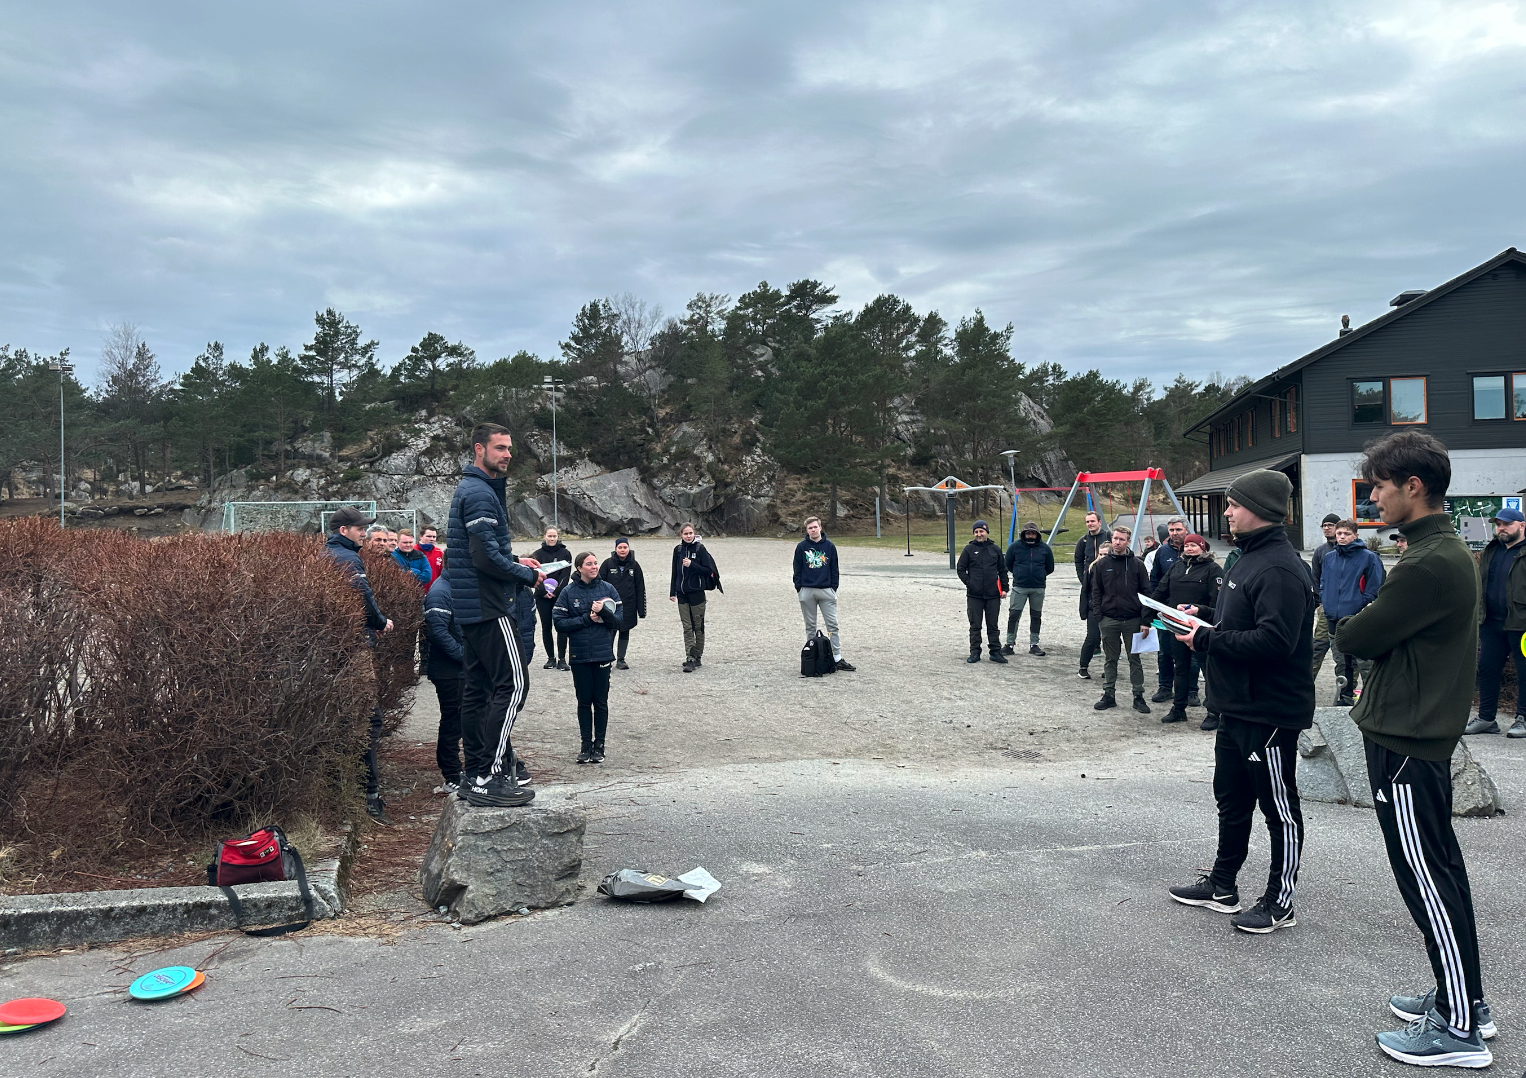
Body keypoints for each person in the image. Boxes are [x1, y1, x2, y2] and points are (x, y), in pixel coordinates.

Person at [1333, 431, 1495, 1068]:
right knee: (1440, 872)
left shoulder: (1429, 563)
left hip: (1407, 738)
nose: (1372, 496)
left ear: (1413, 487)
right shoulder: (1442, 551)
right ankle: (1466, 1002)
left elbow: (1360, 632)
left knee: (1426, 879)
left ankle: (1459, 1031)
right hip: (1414, 732)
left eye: (1378, 486)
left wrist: (1362, 620)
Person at [1167, 468, 1313, 935]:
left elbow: (1276, 641)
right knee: (1230, 798)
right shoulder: (1245, 558)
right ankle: (1223, 884)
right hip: (1234, 706)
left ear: (1261, 511)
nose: (1226, 511)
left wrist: (1207, 640)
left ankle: (1279, 901)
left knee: (1278, 808)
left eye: (1234, 504)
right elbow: (1240, 618)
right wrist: (1203, 615)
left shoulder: (1280, 568)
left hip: (1269, 709)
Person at [446, 423, 543, 808]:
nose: (507, 455)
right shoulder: (480, 493)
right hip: (489, 606)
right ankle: (489, 775)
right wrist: (528, 575)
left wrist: (515, 560)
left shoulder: (473, 489)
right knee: (514, 685)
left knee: (478, 691)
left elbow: (479, 551)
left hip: (473, 607)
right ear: (478, 449)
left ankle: (475, 774)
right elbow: (484, 558)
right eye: (500, 448)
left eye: (509, 449)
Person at [323, 506, 394, 822]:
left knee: (344, 718)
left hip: (332, 650)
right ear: (344, 531)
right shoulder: (348, 559)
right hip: (354, 649)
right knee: (368, 719)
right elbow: (363, 599)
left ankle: (340, 787)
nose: (364, 532)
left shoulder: (324, 555)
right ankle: (368, 795)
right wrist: (381, 622)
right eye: (359, 528)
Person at [554, 552, 621, 764]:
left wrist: (603, 613)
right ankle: (585, 745)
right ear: (579, 568)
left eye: (595, 563)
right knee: (584, 702)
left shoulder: (608, 589)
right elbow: (559, 624)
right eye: (589, 564)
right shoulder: (568, 592)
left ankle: (599, 745)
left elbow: (619, 621)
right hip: (579, 655)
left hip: (602, 654)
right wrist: (586, 619)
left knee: (600, 702)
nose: (594, 567)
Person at [1465, 506, 1526, 737]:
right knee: (1487, 670)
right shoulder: (1492, 549)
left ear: (1521, 525)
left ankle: (1523, 718)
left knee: (1525, 672)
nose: (1501, 528)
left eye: (1507, 524)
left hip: (1521, 625)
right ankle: (1487, 718)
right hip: (1491, 622)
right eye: (1498, 524)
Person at [1149, 533, 1219, 724]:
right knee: (1180, 667)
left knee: (1208, 669)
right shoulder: (1177, 566)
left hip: (1203, 629)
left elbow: (1219, 604)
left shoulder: (1213, 569)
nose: (1189, 548)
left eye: (1194, 545)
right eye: (1187, 546)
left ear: (1203, 547)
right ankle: (1179, 709)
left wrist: (1200, 611)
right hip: (1178, 627)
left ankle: (1213, 712)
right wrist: (1147, 611)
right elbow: (1161, 591)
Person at [1319, 519, 1384, 706]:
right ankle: (1345, 696)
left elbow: (1374, 587)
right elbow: (1323, 582)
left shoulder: (1368, 558)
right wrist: (1326, 601)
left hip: (1357, 617)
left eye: (1346, 534)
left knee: (1364, 661)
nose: (1341, 537)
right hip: (1333, 617)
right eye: (1339, 533)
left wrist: (1360, 604)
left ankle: (1373, 699)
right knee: (1341, 661)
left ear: (1355, 535)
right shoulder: (1329, 557)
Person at [1089, 525, 1152, 711]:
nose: (1117, 542)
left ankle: (1138, 696)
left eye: (1121, 539)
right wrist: (1099, 615)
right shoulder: (1101, 564)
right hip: (1109, 619)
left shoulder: (1137, 565)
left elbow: (1146, 593)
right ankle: (1109, 694)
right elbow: (1096, 591)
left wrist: (1145, 620)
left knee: (1135, 659)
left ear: (1128, 541)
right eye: (1115, 538)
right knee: (1110, 658)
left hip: (1132, 619)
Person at [422, 557, 465, 794]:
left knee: (463, 720)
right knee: (452, 721)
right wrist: (463, 655)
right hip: (449, 671)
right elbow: (438, 631)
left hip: (461, 669)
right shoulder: (440, 591)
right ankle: (451, 774)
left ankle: (462, 770)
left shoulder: (457, 587)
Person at [794, 516, 854, 672]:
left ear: (820, 528)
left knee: (832, 625)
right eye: (810, 528)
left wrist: (833, 587)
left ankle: (837, 657)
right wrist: (799, 588)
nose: (813, 530)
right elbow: (797, 568)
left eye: (815, 527)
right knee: (810, 626)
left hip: (826, 590)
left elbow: (834, 568)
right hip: (807, 590)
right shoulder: (801, 547)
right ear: (807, 530)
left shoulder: (829, 546)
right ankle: (813, 654)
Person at [669, 522, 721, 672]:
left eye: (690, 533)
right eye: (685, 534)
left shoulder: (700, 549)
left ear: (694, 534)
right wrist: (672, 591)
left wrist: (692, 564)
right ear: (681, 535)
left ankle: (697, 656)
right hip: (682, 594)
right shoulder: (678, 550)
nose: (688, 536)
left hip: (697, 593)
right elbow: (675, 572)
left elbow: (707, 570)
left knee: (698, 626)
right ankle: (690, 657)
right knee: (687, 627)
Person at [958, 519, 1009, 664]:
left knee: (993, 625)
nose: (979, 534)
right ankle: (975, 652)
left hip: (993, 595)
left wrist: (1005, 588)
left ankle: (995, 652)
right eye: (976, 532)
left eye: (981, 531)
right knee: (975, 625)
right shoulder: (968, 549)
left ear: (987, 532)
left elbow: (1002, 570)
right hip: (975, 595)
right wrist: (970, 583)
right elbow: (960, 569)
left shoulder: (995, 549)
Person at [1149, 517, 1188, 702]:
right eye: (1171, 530)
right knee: (1165, 651)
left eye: (1178, 529)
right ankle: (1165, 687)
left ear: (1185, 529)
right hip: (1165, 610)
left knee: (1191, 652)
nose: (1175, 533)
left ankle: (1191, 690)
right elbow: (1154, 579)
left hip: (1189, 611)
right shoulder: (1162, 552)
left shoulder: (1194, 547)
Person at [1003, 520, 1054, 656]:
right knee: (1014, 615)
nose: (1030, 535)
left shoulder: (1045, 548)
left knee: (1036, 616)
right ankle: (1009, 644)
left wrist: (1040, 575)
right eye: (1028, 533)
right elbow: (1008, 563)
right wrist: (1019, 574)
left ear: (1037, 534)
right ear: (1024, 534)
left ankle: (1034, 644)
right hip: (1020, 586)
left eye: (1033, 533)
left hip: (1038, 587)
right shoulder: (1014, 547)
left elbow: (1050, 567)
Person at [598, 537, 647, 670]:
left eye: (625, 547)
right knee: (610, 631)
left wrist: (641, 610)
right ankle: (607, 657)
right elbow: (598, 584)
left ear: (628, 548)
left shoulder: (635, 566)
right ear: (615, 549)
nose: (622, 550)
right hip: (611, 606)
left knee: (624, 631)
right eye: (620, 547)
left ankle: (621, 659)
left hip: (629, 605)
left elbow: (640, 587)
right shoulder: (607, 564)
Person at [531, 526, 573, 671]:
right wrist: (543, 591)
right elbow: (534, 575)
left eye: (554, 536)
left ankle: (562, 658)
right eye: (549, 536)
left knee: (561, 626)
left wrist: (557, 592)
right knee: (546, 626)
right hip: (542, 597)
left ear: (558, 537)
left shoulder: (565, 553)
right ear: (544, 536)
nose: (552, 538)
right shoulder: (537, 554)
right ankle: (550, 658)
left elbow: (565, 575)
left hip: (559, 596)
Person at [1074, 511, 1108, 680]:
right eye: (1087, 521)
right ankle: (1083, 666)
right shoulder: (1083, 541)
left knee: (1111, 638)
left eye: (1093, 521)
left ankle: (1110, 668)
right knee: (1093, 636)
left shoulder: (1108, 537)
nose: (1090, 524)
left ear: (1099, 522)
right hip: (1091, 593)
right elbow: (1078, 561)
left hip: (1110, 598)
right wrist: (1083, 580)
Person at [1309, 514, 1341, 677]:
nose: (1327, 528)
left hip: (1348, 608)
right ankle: (1307, 682)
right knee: (1318, 647)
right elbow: (1315, 577)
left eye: (1330, 525)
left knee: (1344, 652)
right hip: (1326, 608)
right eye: (1324, 525)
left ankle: (1347, 691)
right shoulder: (1320, 552)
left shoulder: (1354, 550)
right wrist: (1320, 602)